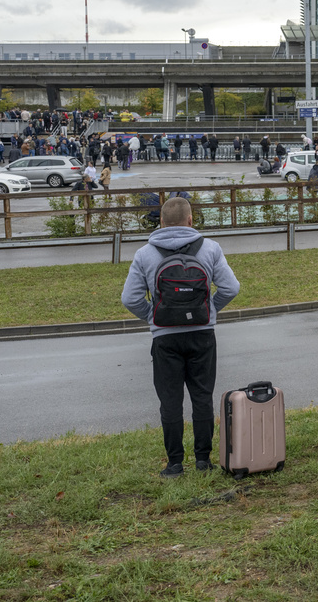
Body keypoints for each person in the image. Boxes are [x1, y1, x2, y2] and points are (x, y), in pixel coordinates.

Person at [121, 196, 240, 477]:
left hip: (165, 338)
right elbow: (231, 288)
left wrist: (153, 316)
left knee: (170, 401)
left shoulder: (145, 254)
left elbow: (130, 298)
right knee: (202, 397)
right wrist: (209, 310)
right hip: (202, 335)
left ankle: (175, 463)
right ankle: (202, 460)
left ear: (161, 222)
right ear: (190, 220)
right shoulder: (210, 248)